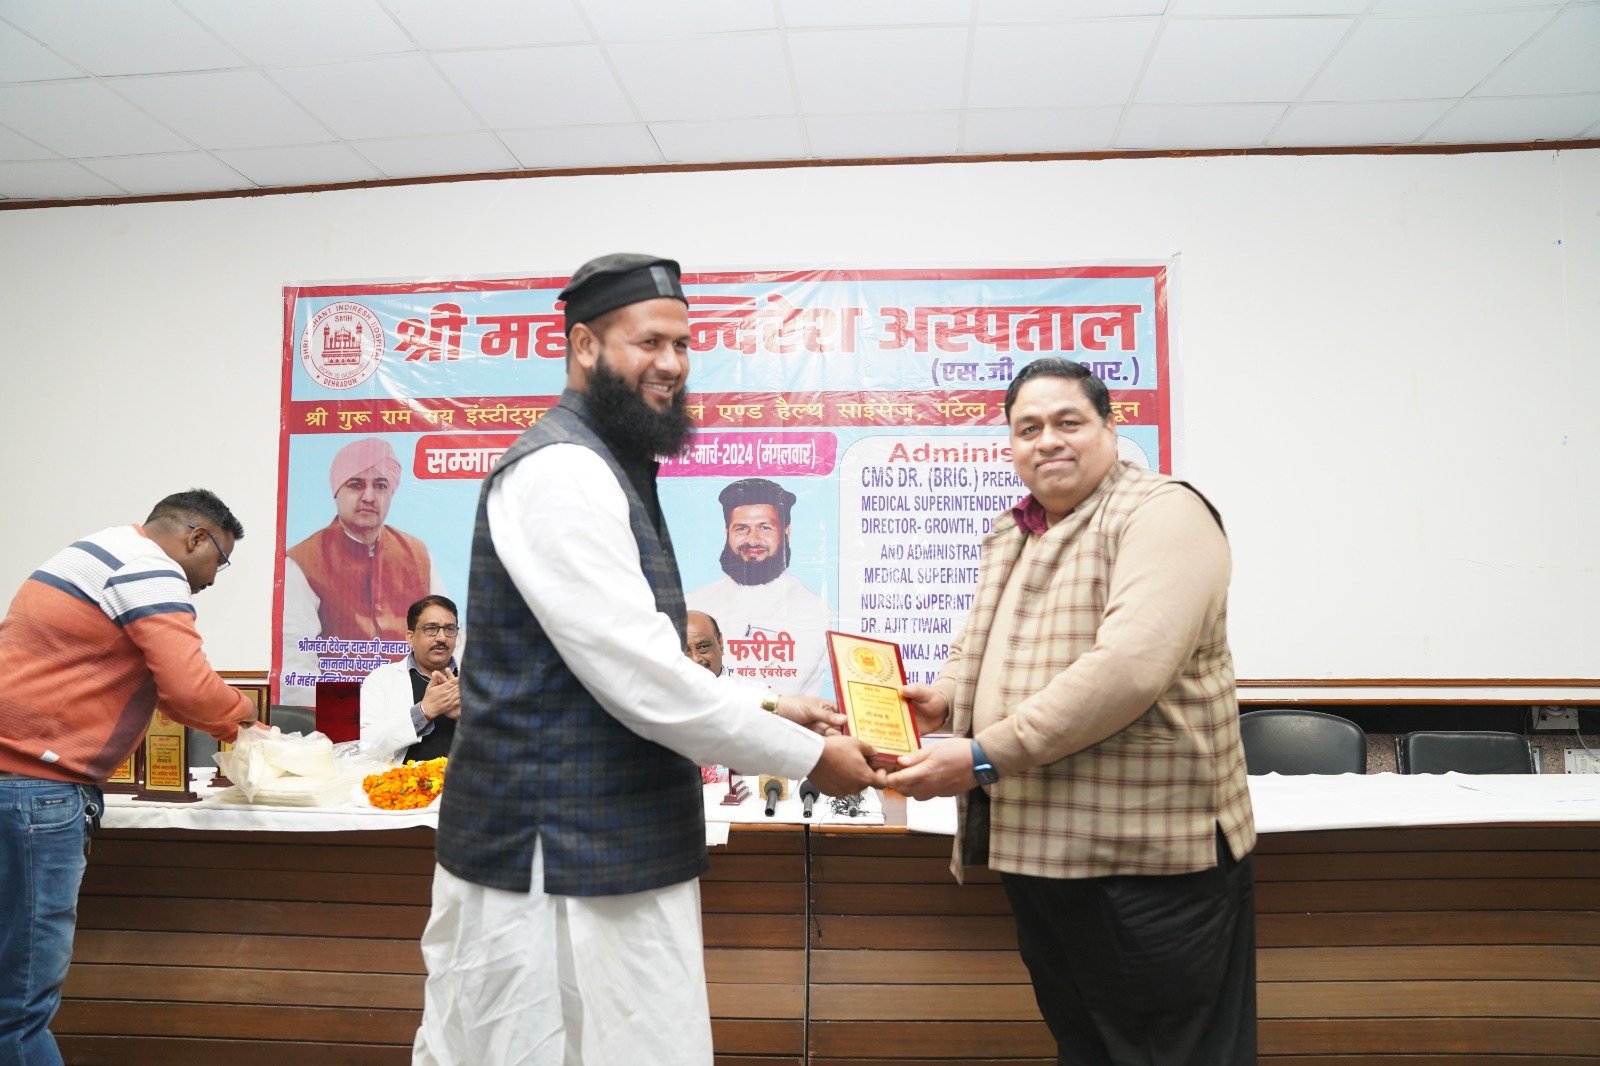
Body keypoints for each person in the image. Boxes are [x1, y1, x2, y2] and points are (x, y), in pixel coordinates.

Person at [415, 253, 885, 1066]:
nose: (672, 363)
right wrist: (809, 758)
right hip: (553, 860)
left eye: (683, 344)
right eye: (649, 342)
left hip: (604, 851)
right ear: (584, 346)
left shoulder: (608, 463)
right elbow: (640, 678)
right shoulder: (561, 471)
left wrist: (774, 708)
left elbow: (629, 660)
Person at [885, 358, 1257, 1065]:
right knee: (1088, 1048)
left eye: (1068, 422)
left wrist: (983, 755)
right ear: (1011, 445)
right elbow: (978, 642)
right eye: (1028, 429)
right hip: (1041, 850)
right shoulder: (1017, 529)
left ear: (1110, 429)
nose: (1047, 440)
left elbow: (1128, 670)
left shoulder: (1161, 513)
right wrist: (947, 698)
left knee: (1171, 1054)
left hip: (1147, 860)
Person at [0, 489, 260, 1065]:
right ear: (195, 537)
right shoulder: (148, 567)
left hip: (14, 784)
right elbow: (188, 689)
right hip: (36, 793)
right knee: (19, 1009)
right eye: (219, 561)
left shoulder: (99, 550)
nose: (211, 581)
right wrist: (248, 721)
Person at [279, 437, 444, 705]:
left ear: (391, 493)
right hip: (335, 710)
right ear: (337, 492)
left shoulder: (418, 554)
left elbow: (448, 637)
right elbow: (295, 663)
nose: (369, 496)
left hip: (415, 707)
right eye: (356, 484)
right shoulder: (303, 561)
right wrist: (352, 711)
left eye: (380, 485)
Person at [687, 478, 831, 695]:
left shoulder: (811, 609)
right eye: (741, 528)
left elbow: (780, 695)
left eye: (765, 527)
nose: (753, 540)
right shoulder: (695, 603)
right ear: (727, 532)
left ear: (786, 532)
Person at [360, 596, 461, 764]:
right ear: (410, 637)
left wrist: (466, 718)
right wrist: (424, 712)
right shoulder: (381, 679)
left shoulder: (473, 681)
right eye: (431, 628)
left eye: (450, 629)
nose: (442, 638)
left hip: (464, 778)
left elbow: (498, 745)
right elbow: (366, 745)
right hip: (402, 778)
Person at [684, 609, 725, 676]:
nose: (695, 659)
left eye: (703, 647)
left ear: (720, 643)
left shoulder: (741, 683)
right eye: (685, 651)